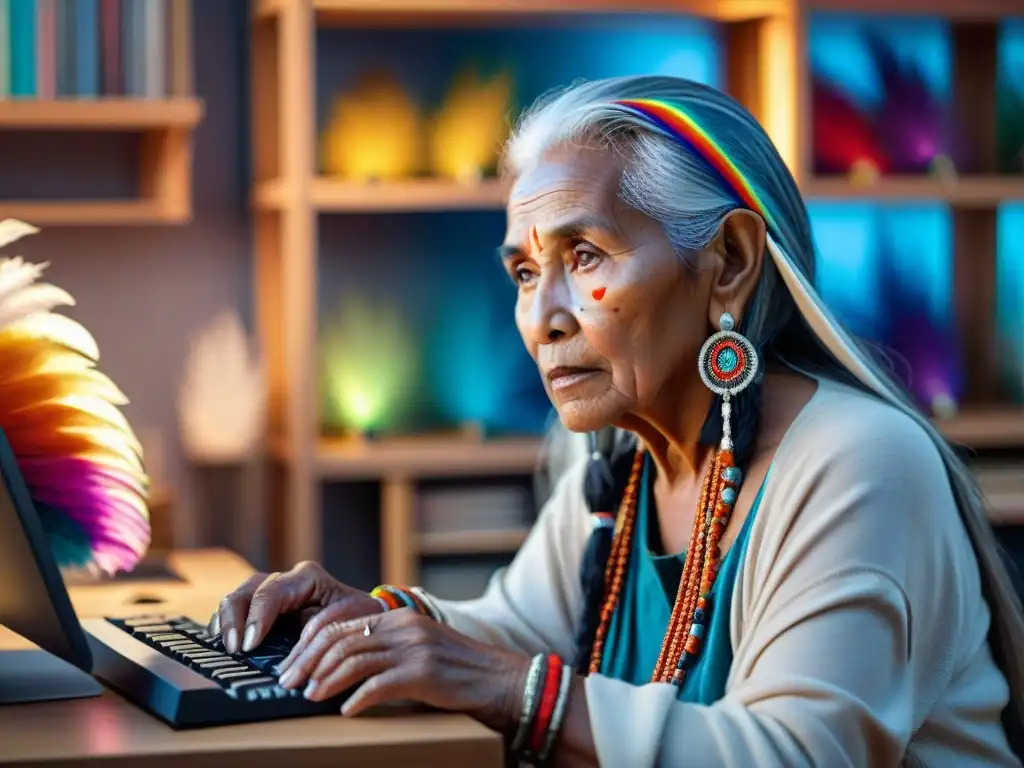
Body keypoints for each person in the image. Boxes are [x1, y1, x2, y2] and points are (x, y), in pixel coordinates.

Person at [210, 76, 1024, 766]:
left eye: (585, 256)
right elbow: (520, 629)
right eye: (526, 272)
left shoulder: (860, 461)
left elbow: (796, 751)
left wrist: (497, 682)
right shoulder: (619, 463)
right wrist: (377, 621)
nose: (541, 319)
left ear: (730, 263)